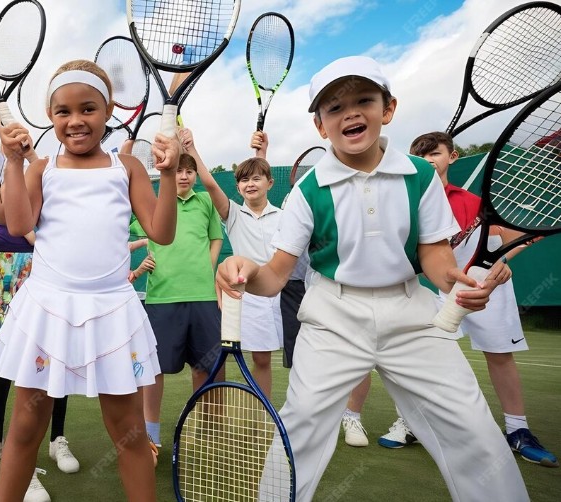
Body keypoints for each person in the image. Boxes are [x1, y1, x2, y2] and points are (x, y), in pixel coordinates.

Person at [216, 56, 527, 501]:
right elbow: (275, 277)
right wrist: (242, 270)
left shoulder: (421, 176)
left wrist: (456, 282)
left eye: (364, 100)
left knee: (472, 424)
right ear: (321, 127)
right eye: (335, 107)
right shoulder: (308, 189)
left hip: (411, 312)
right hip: (332, 316)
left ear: (389, 108)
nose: (352, 113)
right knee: (300, 424)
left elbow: (436, 259)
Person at [0, 59, 180, 501]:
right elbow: (19, 223)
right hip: (48, 310)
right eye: (63, 112)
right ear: (50, 115)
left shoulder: (128, 167)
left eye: (88, 109)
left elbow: (162, 232)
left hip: (112, 312)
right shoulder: (41, 168)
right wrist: (13, 163)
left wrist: (169, 174)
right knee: (23, 429)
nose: (75, 121)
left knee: (130, 435)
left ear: (109, 108)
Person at [371, 132, 557, 466]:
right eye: (420, 154)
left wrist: (501, 262)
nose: (428, 160)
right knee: (423, 358)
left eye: (435, 153)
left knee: (500, 355)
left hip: (486, 286)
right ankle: (414, 421)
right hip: (435, 291)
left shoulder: (474, 202)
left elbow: (517, 237)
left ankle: (517, 430)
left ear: (453, 157)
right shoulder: (406, 203)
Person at [0, 143, 74, 502]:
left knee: (53, 360)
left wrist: (28, 156)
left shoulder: (43, 171)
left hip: (41, 272)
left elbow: (38, 222)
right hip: (4, 273)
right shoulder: (2, 174)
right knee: (6, 361)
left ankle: (56, 440)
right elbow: (2, 217)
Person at [127, 152, 223, 463]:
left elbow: (215, 238)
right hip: (161, 299)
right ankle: (150, 436)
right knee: (155, 371)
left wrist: (207, 270)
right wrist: (141, 263)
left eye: (189, 171)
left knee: (206, 368)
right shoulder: (153, 203)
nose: (183, 176)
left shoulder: (206, 202)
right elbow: (123, 233)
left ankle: (207, 432)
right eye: (178, 171)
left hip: (204, 298)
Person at [179, 127, 283, 399]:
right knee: (261, 359)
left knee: (299, 359)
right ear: (237, 187)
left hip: (284, 295)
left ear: (270, 183)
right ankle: (263, 412)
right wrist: (191, 148)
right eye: (244, 180)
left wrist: (262, 153)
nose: (250, 184)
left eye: (257, 179)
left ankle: (278, 414)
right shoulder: (233, 214)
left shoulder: (285, 215)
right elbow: (211, 185)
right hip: (249, 296)